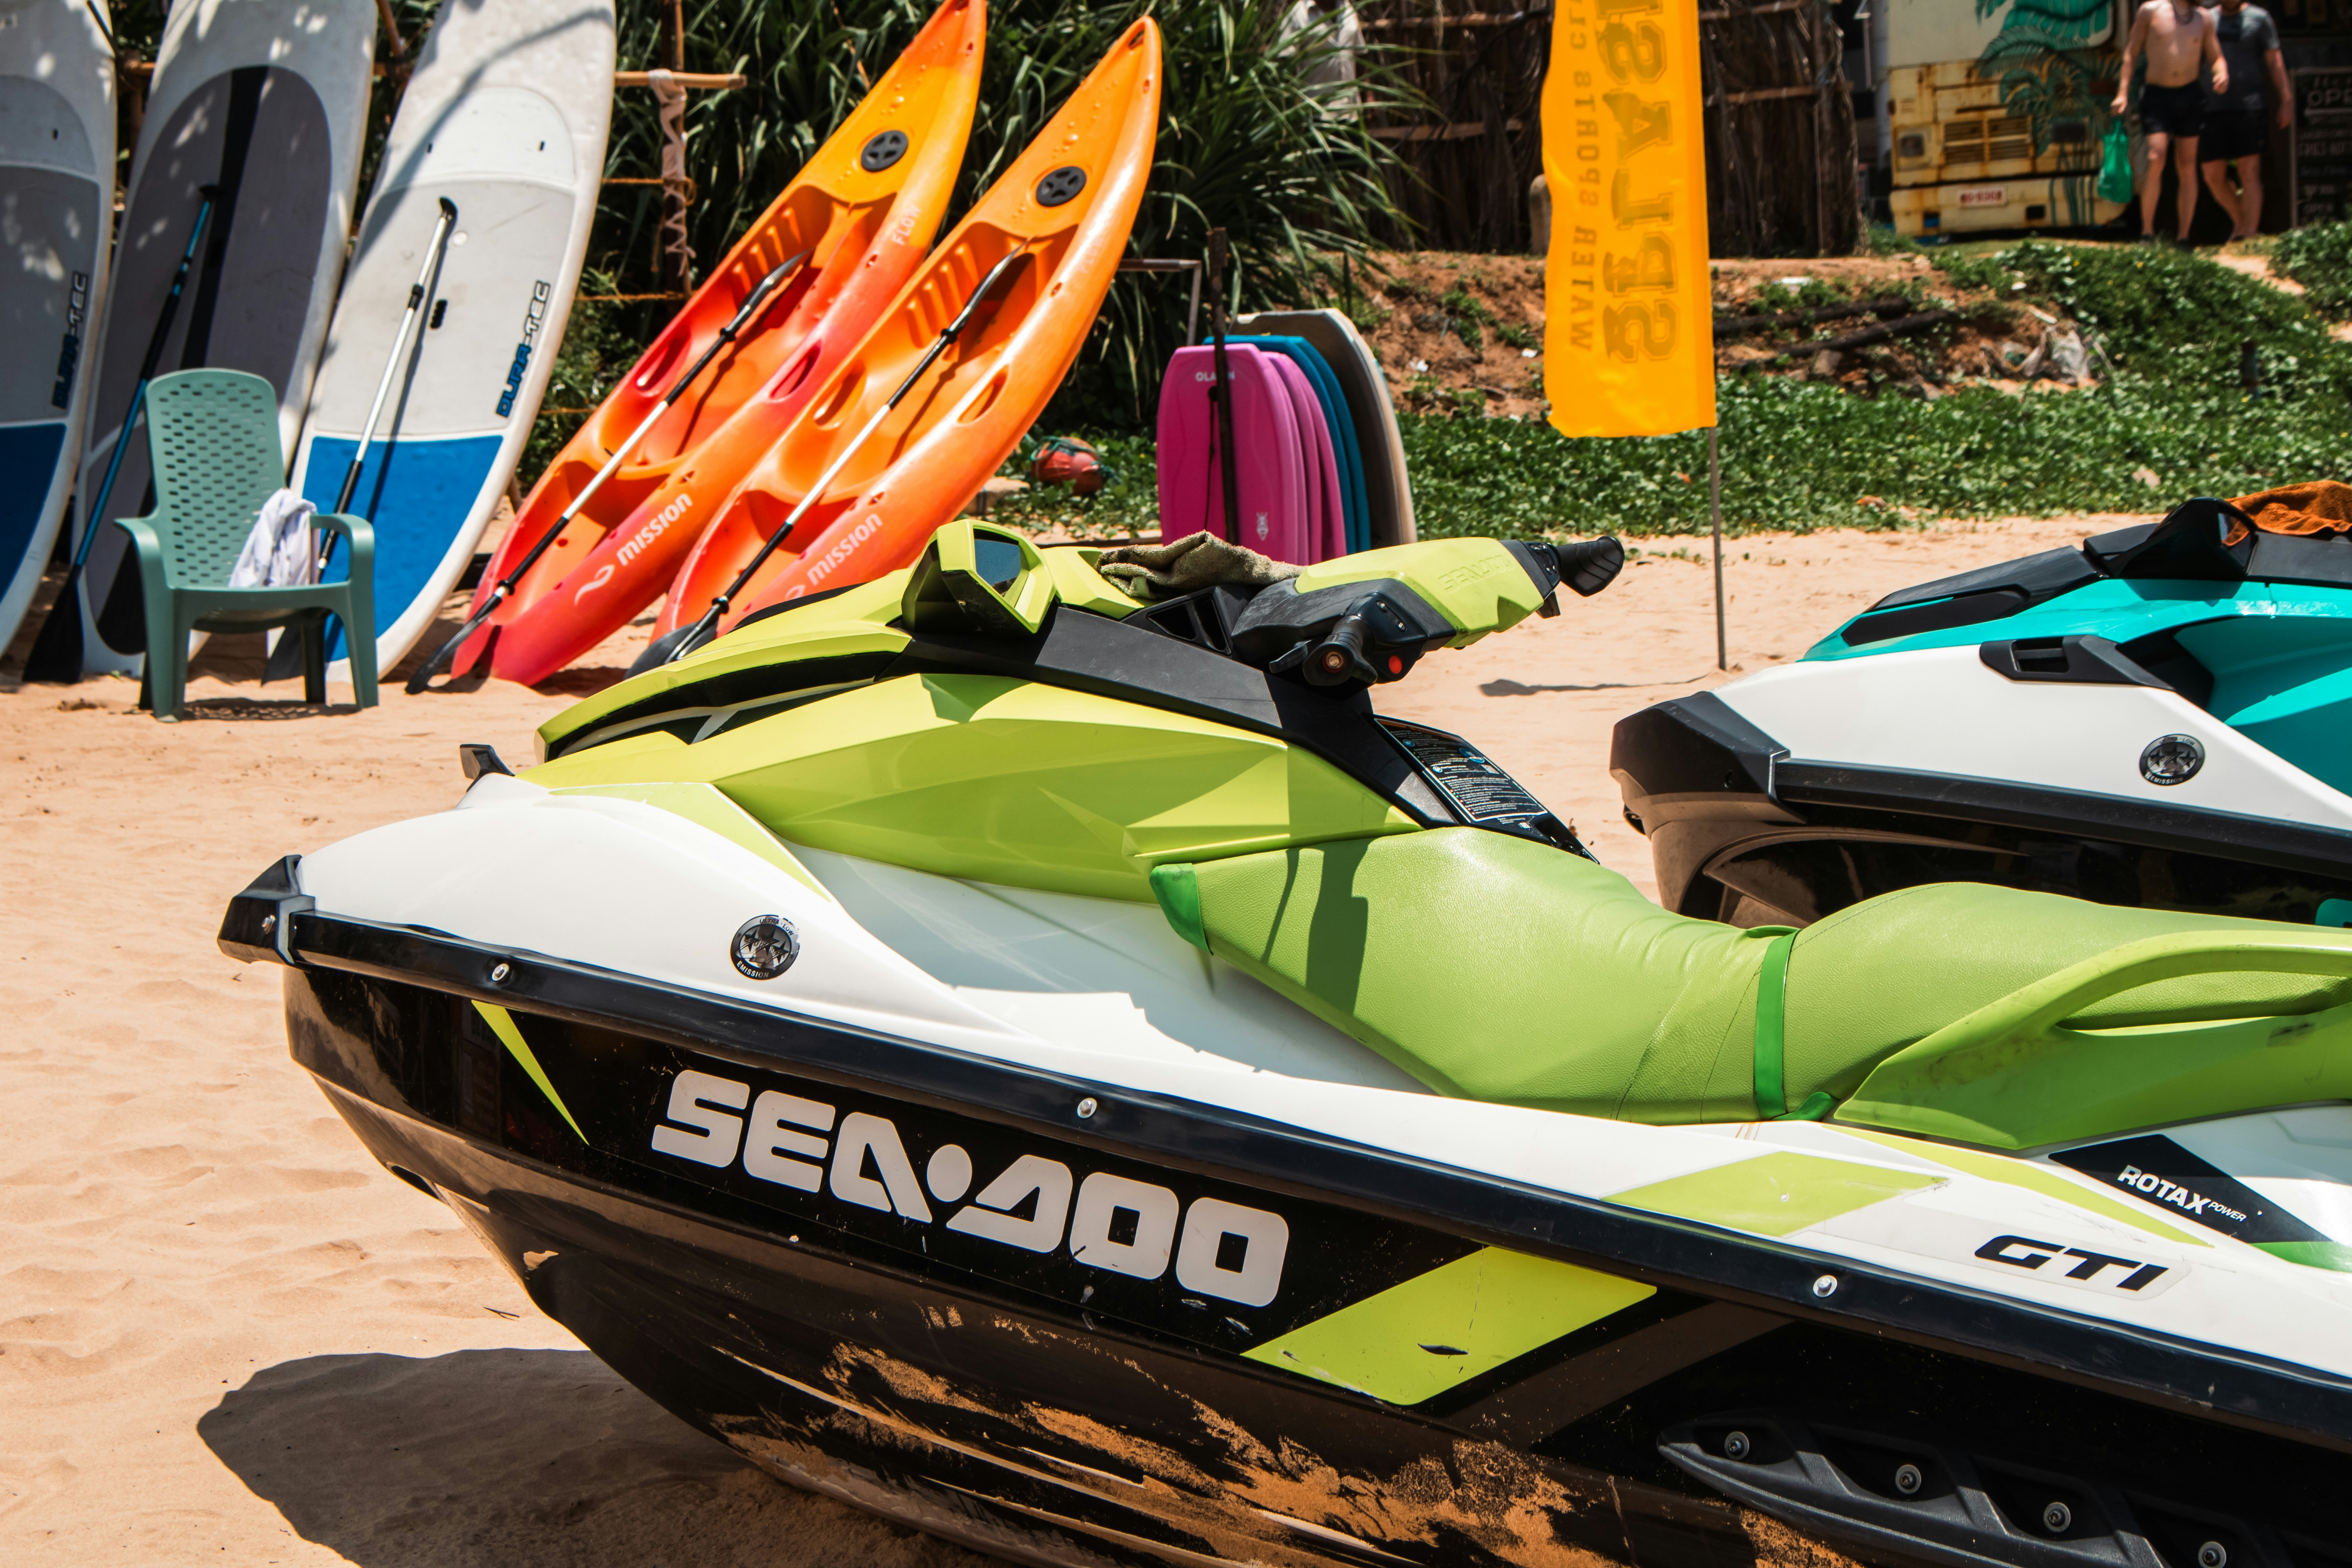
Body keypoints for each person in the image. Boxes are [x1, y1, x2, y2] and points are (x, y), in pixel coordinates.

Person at [2114, 0, 2228, 243]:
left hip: (2189, 95)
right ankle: (2147, 232)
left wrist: (2222, 73)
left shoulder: (2203, 18)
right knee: (2156, 157)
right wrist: (2122, 93)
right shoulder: (2150, 11)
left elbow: (2216, 56)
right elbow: (2131, 53)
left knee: (2187, 165)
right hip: (2157, 95)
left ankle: (2184, 237)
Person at [2200, 0, 2292, 240]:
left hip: (2249, 106)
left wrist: (2286, 99)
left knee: (2249, 170)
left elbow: (2274, 60)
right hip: (2211, 107)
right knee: (2212, 174)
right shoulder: (2206, 19)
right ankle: (2241, 220)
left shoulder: (2260, 18)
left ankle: (2249, 234)